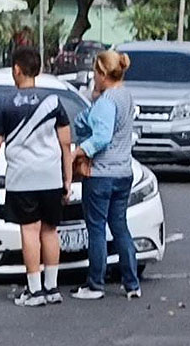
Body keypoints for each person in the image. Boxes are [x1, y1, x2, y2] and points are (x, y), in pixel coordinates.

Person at [0, 46, 72, 307]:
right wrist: (67, 179)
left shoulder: (3, 104)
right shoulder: (54, 102)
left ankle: (34, 290)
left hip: (23, 177)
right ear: (39, 70)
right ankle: (52, 287)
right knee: (50, 230)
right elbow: (66, 143)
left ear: (16, 70)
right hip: (51, 176)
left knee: (30, 230)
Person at [68, 51, 140, 301]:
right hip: (124, 171)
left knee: (96, 229)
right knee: (120, 226)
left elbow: (101, 136)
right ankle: (132, 283)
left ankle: (95, 284)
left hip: (101, 174)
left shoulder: (106, 102)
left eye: (95, 73)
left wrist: (80, 150)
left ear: (101, 74)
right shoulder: (125, 96)